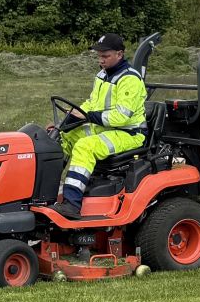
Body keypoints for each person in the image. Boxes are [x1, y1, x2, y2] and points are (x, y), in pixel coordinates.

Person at [52, 33, 147, 214]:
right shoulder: (102, 75)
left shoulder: (130, 80)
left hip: (129, 134)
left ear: (119, 54)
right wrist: (70, 118)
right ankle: (46, 189)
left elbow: (121, 117)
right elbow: (91, 104)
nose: (101, 60)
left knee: (85, 146)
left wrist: (88, 117)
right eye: (99, 56)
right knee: (65, 137)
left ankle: (72, 203)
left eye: (105, 56)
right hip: (105, 129)